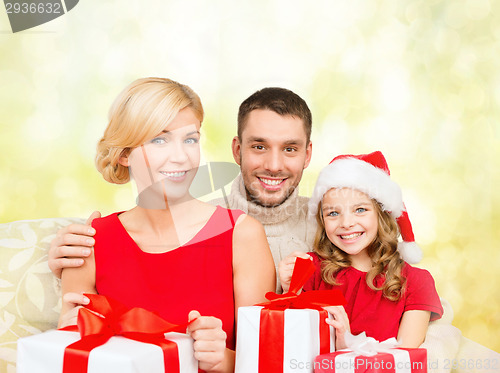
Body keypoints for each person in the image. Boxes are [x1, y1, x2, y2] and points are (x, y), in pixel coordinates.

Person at [58, 77, 275, 373]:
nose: (181, 156)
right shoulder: (89, 243)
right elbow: (71, 355)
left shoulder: (242, 234)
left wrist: (220, 359)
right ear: (124, 153)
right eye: (159, 139)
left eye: (190, 139)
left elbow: (265, 363)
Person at [49, 87, 316, 291]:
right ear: (237, 150)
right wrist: (65, 263)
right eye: (259, 147)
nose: (273, 164)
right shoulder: (211, 226)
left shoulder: (337, 226)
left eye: (290, 149)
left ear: (307, 154)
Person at [279, 151, 443, 350]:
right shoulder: (311, 268)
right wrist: (290, 290)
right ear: (322, 220)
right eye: (333, 213)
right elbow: (288, 345)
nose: (346, 223)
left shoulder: (416, 282)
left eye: (360, 210)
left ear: (381, 214)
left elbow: (403, 360)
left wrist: (346, 342)